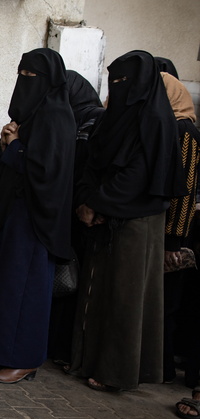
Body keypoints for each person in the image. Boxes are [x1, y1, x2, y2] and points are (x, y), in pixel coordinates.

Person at [70, 50, 181, 391]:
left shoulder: (155, 121)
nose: (119, 89)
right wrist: (88, 201)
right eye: (114, 81)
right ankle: (87, 361)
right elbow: (93, 160)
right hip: (103, 217)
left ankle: (117, 374)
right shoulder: (112, 117)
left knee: (126, 300)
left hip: (136, 223)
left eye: (126, 82)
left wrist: (97, 204)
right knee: (97, 292)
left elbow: (138, 175)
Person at [0, 48, 76, 383]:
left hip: (35, 218)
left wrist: (15, 147)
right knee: (4, 284)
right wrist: (7, 145)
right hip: (14, 212)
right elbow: (20, 160)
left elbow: (46, 171)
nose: (24, 83)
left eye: (31, 77)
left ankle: (25, 358)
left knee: (25, 287)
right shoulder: (34, 115)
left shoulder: (57, 116)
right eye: (22, 74)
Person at [46, 70, 105, 366]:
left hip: (81, 210)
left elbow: (88, 162)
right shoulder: (59, 116)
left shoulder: (93, 117)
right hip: (62, 207)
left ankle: (65, 349)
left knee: (73, 278)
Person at [160, 70, 200, 384]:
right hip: (169, 231)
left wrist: (173, 242)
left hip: (174, 234)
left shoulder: (184, 130)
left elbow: (184, 190)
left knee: (167, 307)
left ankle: (165, 368)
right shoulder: (165, 127)